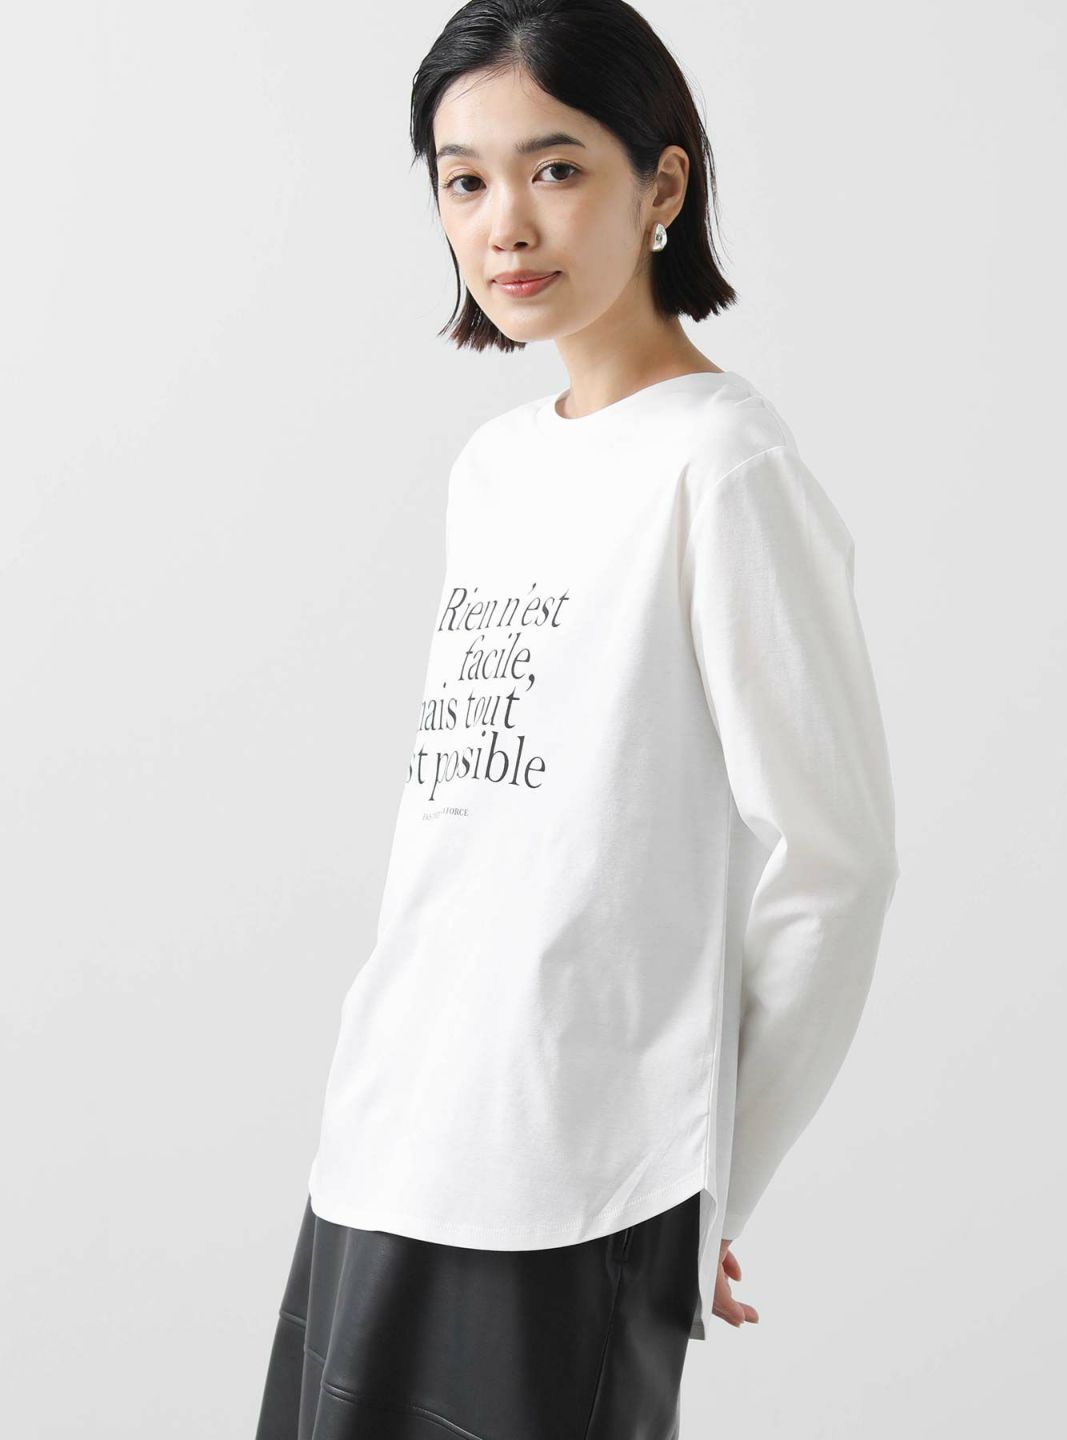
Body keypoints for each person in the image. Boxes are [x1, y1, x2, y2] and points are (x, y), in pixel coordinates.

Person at [255, 2, 900, 1436]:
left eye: (555, 169)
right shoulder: (494, 467)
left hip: (572, 1176)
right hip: (387, 1135)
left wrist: (710, 1177)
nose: (505, 225)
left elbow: (837, 863)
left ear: (662, 185)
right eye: (463, 179)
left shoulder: (723, 467)